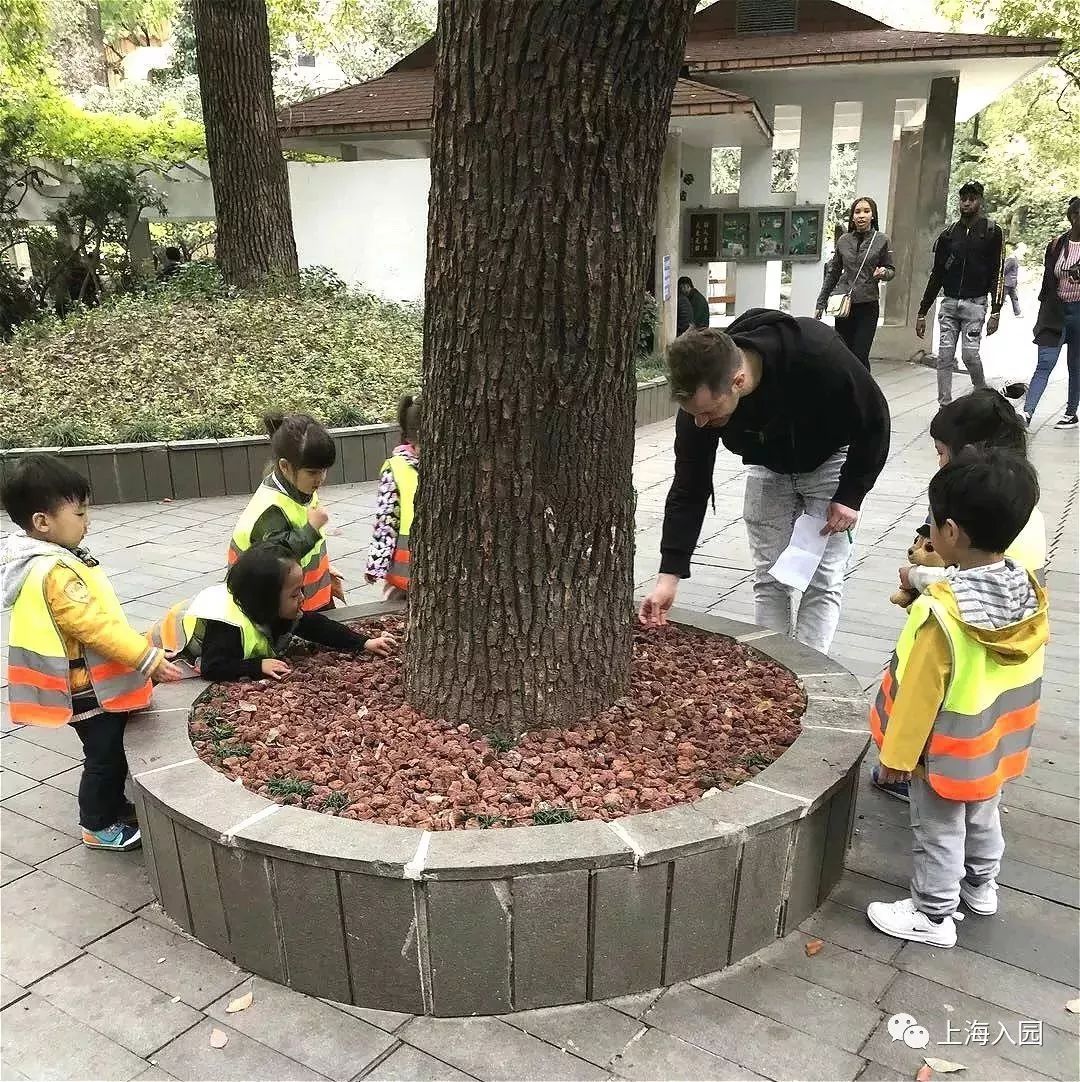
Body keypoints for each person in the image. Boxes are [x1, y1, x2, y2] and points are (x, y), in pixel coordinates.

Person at [866, 450, 1046, 947]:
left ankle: (932, 914)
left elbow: (921, 694)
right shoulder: (1024, 591)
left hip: (942, 751)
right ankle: (981, 886)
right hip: (993, 742)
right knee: (984, 814)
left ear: (951, 531)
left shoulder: (941, 617)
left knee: (937, 829)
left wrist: (896, 759)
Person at [638, 311, 891, 654]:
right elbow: (689, 486)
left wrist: (852, 493)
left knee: (822, 579)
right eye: (693, 413)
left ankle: (811, 667)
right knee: (770, 577)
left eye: (709, 413)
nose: (700, 422)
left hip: (831, 459)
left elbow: (874, 417)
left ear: (738, 382)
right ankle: (774, 665)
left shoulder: (816, 355)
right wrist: (669, 575)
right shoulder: (699, 403)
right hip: (767, 465)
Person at [0, 455, 182, 852]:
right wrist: (146, 657)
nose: (88, 521)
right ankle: (97, 825)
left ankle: (113, 806)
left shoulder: (53, 560)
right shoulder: (56, 572)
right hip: (84, 688)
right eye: (79, 513)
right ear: (42, 522)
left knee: (111, 750)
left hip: (85, 683)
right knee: (104, 755)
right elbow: (94, 627)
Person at [873, 387, 1046, 801]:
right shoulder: (1010, 507)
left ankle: (911, 776)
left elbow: (969, 597)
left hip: (953, 718)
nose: (939, 462)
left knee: (940, 829)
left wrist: (916, 577)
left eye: (940, 452)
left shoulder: (945, 608)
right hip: (992, 711)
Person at [150, 543, 395, 681]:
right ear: (266, 601)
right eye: (294, 594)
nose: (303, 599)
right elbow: (213, 667)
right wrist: (257, 666)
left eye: (301, 590)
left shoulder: (272, 608)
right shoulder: (227, 625)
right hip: (155, 655)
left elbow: (317, 626)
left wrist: (364, 642)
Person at [228, 412, 341, 612]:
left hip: (306, 601)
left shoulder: (300, 488)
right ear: (285, 466)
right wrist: (312, 529)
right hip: (274, 609)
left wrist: (324, 573)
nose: (321, 478)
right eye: (313, 472)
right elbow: (276, 558)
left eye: (324, 470)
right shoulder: (270, 509)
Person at [916, 181, 1005, 407]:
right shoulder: (948, 234)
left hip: (975, 303)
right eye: (963, 198)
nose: (966, 203)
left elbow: (998, 272)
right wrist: (922, 310)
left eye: (972, 198)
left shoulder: (992, 232)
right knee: (944, 357)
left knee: (970, 355)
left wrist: (996, 310)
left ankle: (982, 396)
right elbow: (937, 273)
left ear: (980, 201)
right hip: (950, 302)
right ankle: (944, 405)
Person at [815, 196, 895, 369]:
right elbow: (833, 272)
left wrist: (883, 273)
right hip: (844, 306)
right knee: (844, 354)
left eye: (866, 211)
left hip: (868, 305)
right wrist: (820, 302)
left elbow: (891, 270)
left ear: (873, 216)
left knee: (860, 355)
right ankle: (851, 392)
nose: (861, 215)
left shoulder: (882, 240)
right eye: (857, 212)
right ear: (852, 217)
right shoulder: (843, 240)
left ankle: (863, 393)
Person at [1021, 196, 1080, 430]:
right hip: (1055, 312)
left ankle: (1071, 412)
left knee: (1076, 365)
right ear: (1073, 217)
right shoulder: (1056, 245)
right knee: (1044, 364)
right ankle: (1027, 413)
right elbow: (1047, 282)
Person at [366, 395, 420, 597]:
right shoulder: (395, 469)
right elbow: (385, 522)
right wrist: (376, 565)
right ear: (412, 439)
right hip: (403, 580)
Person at [1003, 247, 1022, 317]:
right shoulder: (1012, 259)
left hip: (1012, 283)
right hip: (1007, 283)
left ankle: (1018, 313)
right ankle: (995, 312)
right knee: (1001, 299)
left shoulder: (1015, 259)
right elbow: (1004, 269)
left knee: (1014, 298)